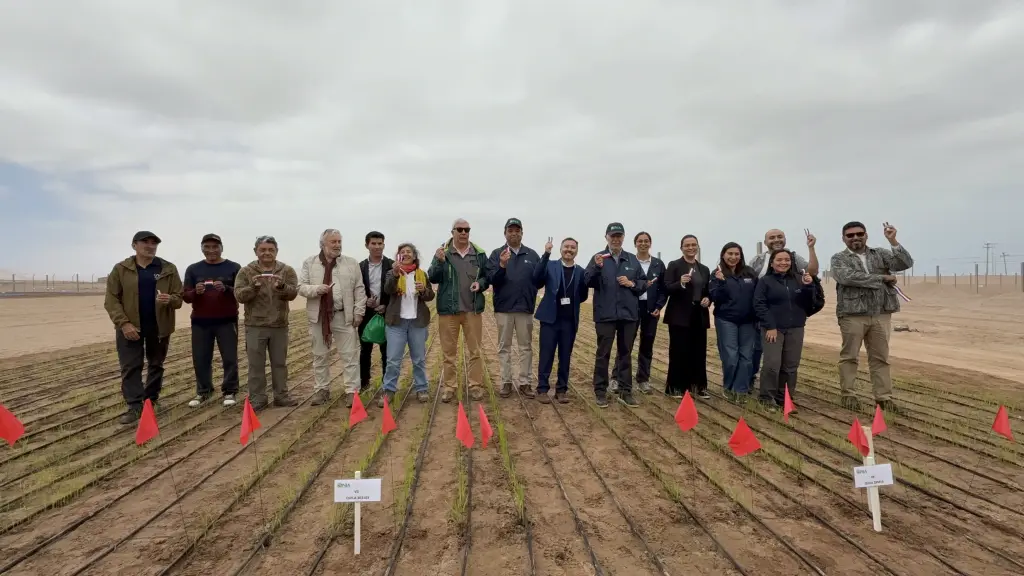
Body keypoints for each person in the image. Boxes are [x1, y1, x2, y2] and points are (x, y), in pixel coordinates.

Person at [830, 221, 913, 413]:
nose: (855, 238)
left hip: (881, 312)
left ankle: (884, 398)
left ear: (866, 235)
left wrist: (893, 241)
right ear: (844, 239)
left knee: (880, 358)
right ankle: (848, 394)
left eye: (859, 234)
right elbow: (847, 277)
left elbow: (905, 263)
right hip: (852, 314)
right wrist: (882, 278)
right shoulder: (838, 259)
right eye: (850, 235)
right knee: (849, 356)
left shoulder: (881, 254)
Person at [104, 231, 183, 424]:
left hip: (159, 327)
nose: (150, 246)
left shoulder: (168, 269)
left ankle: (151, 400)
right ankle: (134, 406)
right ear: (134, 245)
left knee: (156, 364)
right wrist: (124, 324)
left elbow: (179, 298)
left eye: (153, 243)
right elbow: (111, 300)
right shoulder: (121, 269)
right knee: (131, 367)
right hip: (131, 328)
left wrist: (170, 299)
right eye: (145, 242)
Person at [297, 229, 366, 407]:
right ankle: (322, 389)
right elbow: (301, 286)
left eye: (339, 241)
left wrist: (359, 312)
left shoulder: (351, 263)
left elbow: (359, 289)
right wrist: (316, 289)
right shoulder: (310, 263)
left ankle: (352, 391)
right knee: (319, 355)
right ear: (323, 245)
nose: (337, 245)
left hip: (344, 315)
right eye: (333, 242)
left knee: (350, 355)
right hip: (319, 317)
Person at [584, 222, 647, 408]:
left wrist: (631, 283)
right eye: (613, 236)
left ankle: (625, 390)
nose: (616, 239)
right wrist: (596, 267)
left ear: (623, 238)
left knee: (625, 354)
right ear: (606, 237)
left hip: (628, 315)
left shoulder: (631, 260)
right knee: (603, 353)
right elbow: (587, 281)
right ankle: (600, 391)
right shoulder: (598, 258)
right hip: (606, 315)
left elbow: (644, 283)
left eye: (619, 236)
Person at [428, 218, 490, 403]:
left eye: (467, 230)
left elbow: (487, 277)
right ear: (452, 232)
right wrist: (438, 262)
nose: (464, 233)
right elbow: (433, 276)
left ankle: (475, 385)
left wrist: (480, 284)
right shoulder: (443, 253)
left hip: (472, 310)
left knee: (475, 351)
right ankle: (449, 387)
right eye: (460, 229)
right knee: (449, 352)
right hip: (449, 311)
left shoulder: (479, 254)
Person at [235, 235, 300, 410]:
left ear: (276, 251)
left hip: (279, 325)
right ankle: (258, 398)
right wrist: (253, 287)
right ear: (256, 251)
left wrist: (281, 287)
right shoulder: (246, 271)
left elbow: (293, 293)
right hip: (255, 325)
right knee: (256, 365)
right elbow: (239, 296)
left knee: (280, 363)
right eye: (263, 249)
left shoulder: (286, 271)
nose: (267, 253)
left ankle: (281, 396)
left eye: (271, 250)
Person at [748, 228, 818, 390]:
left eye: (780, 236)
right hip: (765, 319)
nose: (776, 240)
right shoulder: (758, 264)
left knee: (790, 363)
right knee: (762, 355)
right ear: (765, 242)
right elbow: (754, 293)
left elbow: (812, 272)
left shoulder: (794, 260)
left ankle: (784, 395)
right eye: (772, 238)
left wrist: (811, 248)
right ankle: (760, 389)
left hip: (792, 323)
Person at [182, 233, 242, 408]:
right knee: (201, 358)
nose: (211, 250)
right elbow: (186, 296)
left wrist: (226, 288)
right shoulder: (193, 269)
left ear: (221, 248)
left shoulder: (233, 267)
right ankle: (204, 391)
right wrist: (196, 292)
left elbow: (242, 292)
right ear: (202, 249)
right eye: (207, 247)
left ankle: (230, 391)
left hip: (227, 320)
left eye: (215, 247)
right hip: (201, 321)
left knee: (229, 357)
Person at [487, 217, 541, 398]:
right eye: (510, 230)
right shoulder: (496, 254)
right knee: (505, 347)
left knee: (526, 347)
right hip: (504, 309)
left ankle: (525, 382)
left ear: (522, 233)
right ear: (505, 233)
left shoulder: (532, 255)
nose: (514, 233)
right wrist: (502, 265)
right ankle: (506, 382)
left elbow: (539, 280)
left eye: (517, 230)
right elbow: (492, 280)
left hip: (525, 308)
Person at [532, 237, 589, 404]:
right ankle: (542, 389)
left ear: (576, 251)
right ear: (561, 249)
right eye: (566, 247)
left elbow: (583, 295)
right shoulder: (550, 265)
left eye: (572, 247)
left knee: (565, 356)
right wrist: (546, 253)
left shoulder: (581, 271)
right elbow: (536, 279)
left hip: (569, 321)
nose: (569, 250)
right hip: (550, 319)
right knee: (546, 354)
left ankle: (561, 390)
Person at [379, 243, 435, 407]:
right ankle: (388, 389)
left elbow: (430, 296)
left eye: (409, 252)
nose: (405, 254)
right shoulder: (392, 273)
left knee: (418, 359)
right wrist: (396, 275)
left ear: (414, 255)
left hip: (417, 322)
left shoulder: (421, 274)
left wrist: (424, 290)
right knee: (393, 360)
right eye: (402, 252)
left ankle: (421, 388)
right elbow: (388, 290)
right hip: (397, 323)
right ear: (398, 256)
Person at [662, 234, 711, 399]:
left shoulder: (704, 269)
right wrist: (680, 283)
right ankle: (676, 387)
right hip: (679, 315)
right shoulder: (674, 265)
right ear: (681, 247)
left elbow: (707, 291)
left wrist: (707, 299)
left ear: (697, 247)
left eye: (693, 245)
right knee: (679, 351)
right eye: (687, 245)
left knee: (699, 351)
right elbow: (667, 287)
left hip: (699, 314)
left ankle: (698, 386)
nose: (691, 248)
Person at [710, 242, 758, 402]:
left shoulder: (749, 273)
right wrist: (721, 282)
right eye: (730, 254)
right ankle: (728, 387)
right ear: (723, 255)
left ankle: (741, 390)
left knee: (746, 356)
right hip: (726, 320)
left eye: (736, 254)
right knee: (730, 356)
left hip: (748, 321)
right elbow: (715, 297)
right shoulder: (717, 273)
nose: (733, 257)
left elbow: (758, 296)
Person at [632, 231, 667, 394]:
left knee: (647, 344)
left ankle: (643, 379)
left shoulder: (658, 264)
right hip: (632, 306)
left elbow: (663, 289)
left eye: (646, 241)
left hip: (651, 309)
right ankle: (617, 378)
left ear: (650, 243)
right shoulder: (629, 261)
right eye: (640, 241)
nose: (643, 244)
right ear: (635, 244)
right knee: (626, 343)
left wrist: (659, 306)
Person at [359, 231, 394, 391]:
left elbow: (396, 291)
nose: (377, 246)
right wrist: (367, 301)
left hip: (386, 313)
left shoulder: (391, 265)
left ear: (384, 245)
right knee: (365, 349)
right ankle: (364, 382)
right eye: (373, 243)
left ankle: (387, 384)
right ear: (367, 245)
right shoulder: (360, 267)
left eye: (380, 243)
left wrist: (385, 304)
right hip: (367, 313)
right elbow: (357, 289)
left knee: (387, 350)